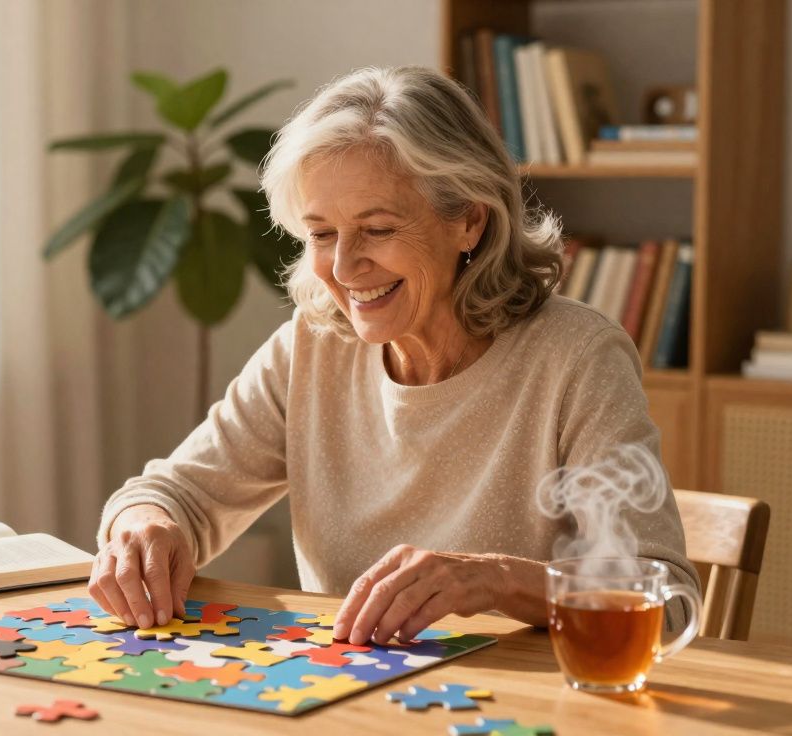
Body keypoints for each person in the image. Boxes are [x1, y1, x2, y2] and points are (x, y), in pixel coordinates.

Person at [88, 66, 698, 645]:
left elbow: (665, 601)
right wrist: (145, 525)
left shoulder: (576, 357)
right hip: (345, 703)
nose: (345, 267)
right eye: (322, 233)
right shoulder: (312, 347)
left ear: (470, 223)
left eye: (378, 229)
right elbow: (177, 494)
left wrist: (495, 580)